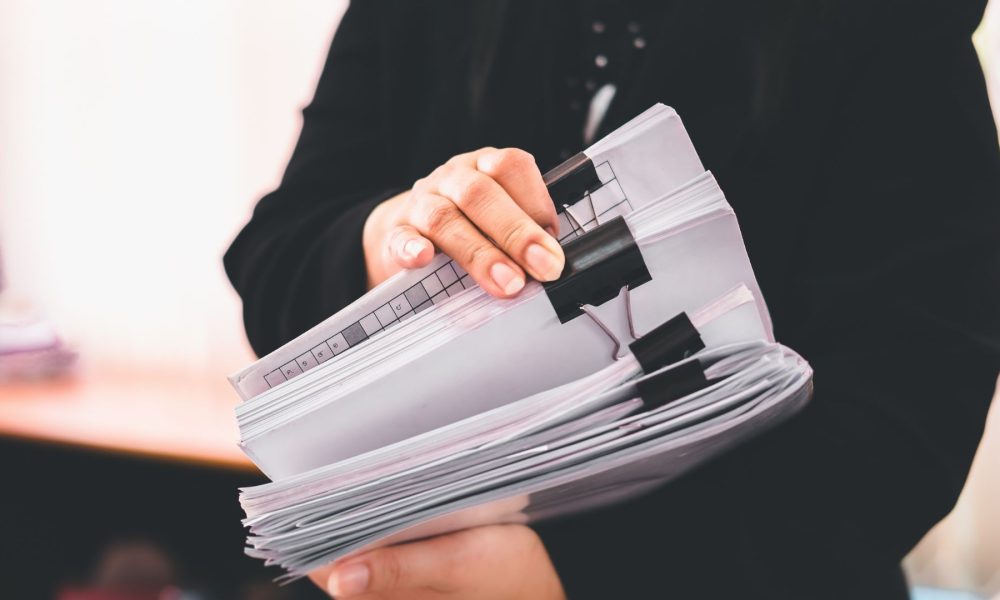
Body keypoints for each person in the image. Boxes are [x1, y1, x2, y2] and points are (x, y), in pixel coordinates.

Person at [224, 1, 1000, 598]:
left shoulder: (892, 23)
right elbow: (273, 256)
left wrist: (577, 577)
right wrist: (400, 234)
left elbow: (912, 415)